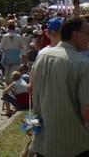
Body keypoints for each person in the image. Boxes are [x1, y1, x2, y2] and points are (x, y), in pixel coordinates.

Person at [30, 16, 89, 156]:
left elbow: (31, 88)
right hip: (73, 144)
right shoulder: (82, 64)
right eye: (88, 34)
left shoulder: (42, 55)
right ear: (75, 35)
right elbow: (86, 113)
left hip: (42, 140)